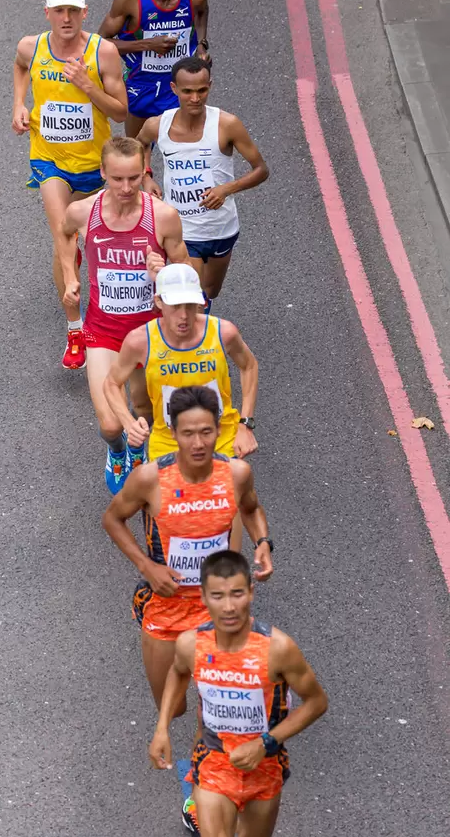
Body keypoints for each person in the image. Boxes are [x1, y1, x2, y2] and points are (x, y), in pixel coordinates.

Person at [102, 386, 273, 717]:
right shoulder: (149, 479)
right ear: (174, 433)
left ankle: (207, 758)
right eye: (189, 433)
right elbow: (112, 519)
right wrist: (147, 568)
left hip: (220, 607)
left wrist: (263, 544)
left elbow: (251, 509)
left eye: (207, 432)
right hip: (166, 608)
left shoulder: (236, 474)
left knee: (218, 706)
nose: (198, 443)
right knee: (173, 706)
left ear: (218, 430)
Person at [149, 550, 328, 837]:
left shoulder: (278, 649)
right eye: (218, 596)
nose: (229, 607)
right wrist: (161, 728)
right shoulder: (191, 644)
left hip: (265, 765)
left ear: (251, 593)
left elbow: (317, 702)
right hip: (214, 761)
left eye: (237, 594)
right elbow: (178, 672)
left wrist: (265, 742)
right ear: (205, 597)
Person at [57, 137, 190, 493]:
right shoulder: (82, 212)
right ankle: (117, 451)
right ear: (103, 173)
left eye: (134, 178)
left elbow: (187, 271)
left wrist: (164, 271)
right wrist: (70, 276)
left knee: (143, 407)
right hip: (103, 332)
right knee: (111, 423)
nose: (127, 187)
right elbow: (65, 236)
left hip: (149, 333)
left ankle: (138, 449)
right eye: (117, 179)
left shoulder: (162, 217)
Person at [12, 0, 128, 370]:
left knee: (88, 238)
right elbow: (20, 65)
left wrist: (87, 85)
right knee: (63, 232)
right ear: (47, 13)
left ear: (85, 13)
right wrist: (19, 105)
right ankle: (76, 328)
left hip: (94, 167)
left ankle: (81, 277)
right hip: (50, 158)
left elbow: (120, 113)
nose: (66, 18)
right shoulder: (33, 46)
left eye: (73, 11)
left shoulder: (103, 53)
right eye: (59, 11)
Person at [138, 57, 269, 309]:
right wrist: (146, 176)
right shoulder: (157, 125)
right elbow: (139, 145)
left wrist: (226, 189)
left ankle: (198, 323)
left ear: (210, 86)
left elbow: (261, 170)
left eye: (202, 90)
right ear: (174, 88)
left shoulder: (227, 125)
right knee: (193, 296)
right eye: (187, 91)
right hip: (182, 229)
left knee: (210, 291)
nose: (195, 99)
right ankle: (195, 341)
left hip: (222, 228)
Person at [103, 263, 259, 462]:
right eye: (175, 306)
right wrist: (128, 423)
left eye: (190, 305)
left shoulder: (223, 332)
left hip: (221, 439)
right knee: (159, 494)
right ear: (159, 301)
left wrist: (246, 425)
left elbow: (249, 365)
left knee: (234, 492)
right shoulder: (140, 341)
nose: (184, 315)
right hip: (168, 445)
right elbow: (111, 383)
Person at [98, 0, 209, 137]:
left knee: (183, 149)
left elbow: (201, 14)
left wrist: (201, 46)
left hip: (182, 87)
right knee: (137, 151)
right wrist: (148, 44)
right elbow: (101, 42)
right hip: (143, 86)